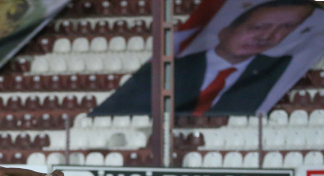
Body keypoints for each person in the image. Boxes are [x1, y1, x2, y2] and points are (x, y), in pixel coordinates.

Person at [92, 0, 318, 116]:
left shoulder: (280, 69)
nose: (269, 36)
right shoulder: (171, 69)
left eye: (286, 28)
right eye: (258, 27)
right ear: (225, 30)